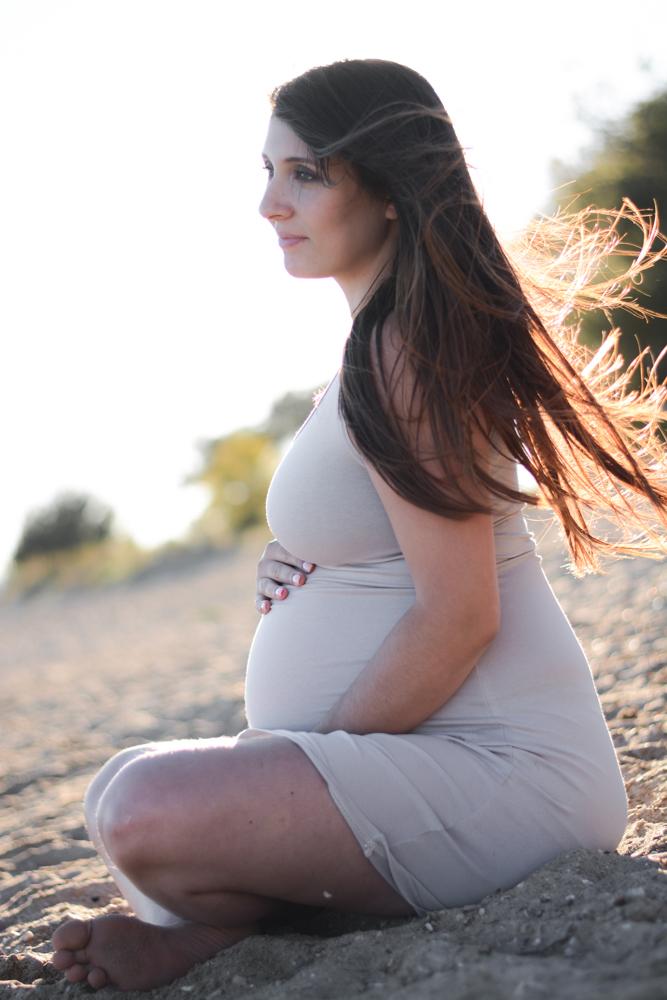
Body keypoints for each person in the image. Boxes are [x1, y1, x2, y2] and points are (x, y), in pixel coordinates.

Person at [51, 58, 667, 992]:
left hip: (509, 779)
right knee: (120, 792)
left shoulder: (409, 353)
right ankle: (228, 929)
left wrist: (293, 753)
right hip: (438, 767)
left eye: (305, 173)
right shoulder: (374, 349)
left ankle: (226, 926)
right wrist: (301, 565)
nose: (269, 203)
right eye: (266, 171)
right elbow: (383, 542)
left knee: (142, 804)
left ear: (387, 192)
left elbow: (461, 614)